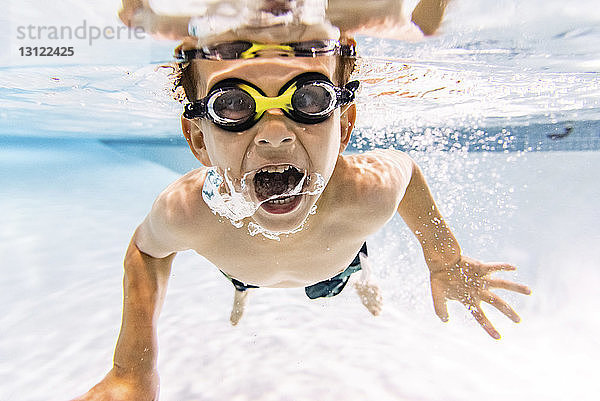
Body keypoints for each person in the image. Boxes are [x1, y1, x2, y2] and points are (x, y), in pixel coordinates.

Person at [72, 1, 530, 400]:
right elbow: (145, 252)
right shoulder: (191, 211)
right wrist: (133, 369)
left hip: (336, 265)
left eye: (309, 98)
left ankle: (361, 279)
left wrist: (443, 258)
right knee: (241, 279)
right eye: (233, 106)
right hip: (241, 266)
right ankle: (242, 289)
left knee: (351, 272)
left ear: (345, 127)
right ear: (198, 138)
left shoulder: (365, 194)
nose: (274, 135)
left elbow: (406, 174)